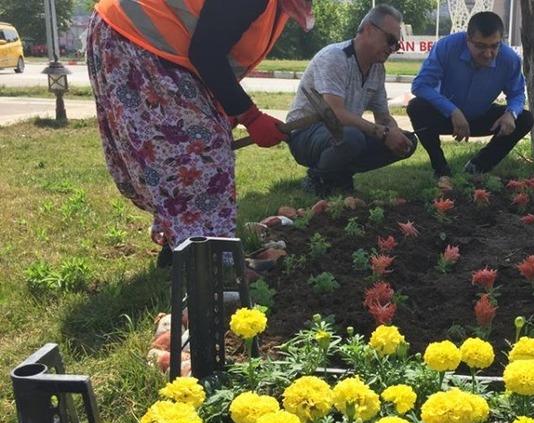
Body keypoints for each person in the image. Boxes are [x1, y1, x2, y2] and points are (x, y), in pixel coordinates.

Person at [87, 0, 314, 266]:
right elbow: (206, 52)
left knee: (189, 147)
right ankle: (207, 264)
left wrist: (224, 107)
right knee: (201, 151)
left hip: (140, 40)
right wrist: (250, 116)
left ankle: (183, 247)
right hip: (134, 38)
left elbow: (213, 43)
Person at [287, 4, 417, 197]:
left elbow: (383, 117)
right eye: (390, 40)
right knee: (352, 138)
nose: (392, 49)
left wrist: (393, 131)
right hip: (305, 134)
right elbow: (336, 114)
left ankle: (339, 174)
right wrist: (382, 133)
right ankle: (317, 178)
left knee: (409, 142)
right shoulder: (334, 57)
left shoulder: (377, 69)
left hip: (342, 133)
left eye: (396, 44)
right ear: (369, 30)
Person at [407, 11, 533, 183]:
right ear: (468, 40)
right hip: (446, 117)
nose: (488, 54)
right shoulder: (446, 47)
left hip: (480, 117)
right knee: (416, 107)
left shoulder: (510, 59)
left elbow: (517, 93)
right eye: (481, 46)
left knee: (524, 118)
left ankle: (478, 166)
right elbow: (420, 85)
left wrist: (511, 113)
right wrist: (452, 111)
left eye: (494, 46)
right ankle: (441, 169)